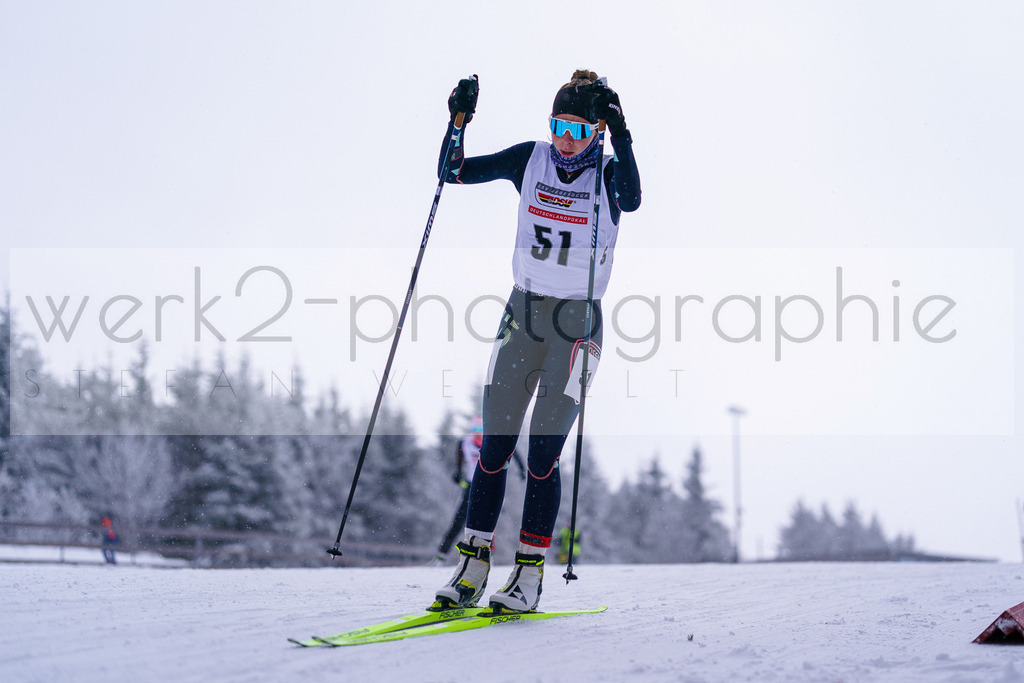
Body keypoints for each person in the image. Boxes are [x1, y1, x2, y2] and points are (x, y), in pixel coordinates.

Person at [431, 70, 641, 613]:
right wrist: (457, 123)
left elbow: (633, 200)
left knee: (543, 456)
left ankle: (527, 575)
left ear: (595, 131)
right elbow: (451, 173)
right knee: (494, 447)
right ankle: (472, 567)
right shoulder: (531, 159)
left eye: (577, 128)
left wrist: (623, 135)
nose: (565, 139)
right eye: (557, 126)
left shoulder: (610, 174)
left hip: (577, 325)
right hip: (521, 312)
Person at [429, 416, 525, 566]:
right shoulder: (465, 443)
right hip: (470, 486)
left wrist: (521, 469)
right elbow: (459, 461)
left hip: (489, 485)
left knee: (488, 521)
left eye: (480, 430)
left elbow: (514, 451)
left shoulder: (491, 441)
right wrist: (458, 473)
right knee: (459, 520)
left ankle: (489, 556)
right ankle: (441, 555)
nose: (478, 433)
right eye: (474, 430)